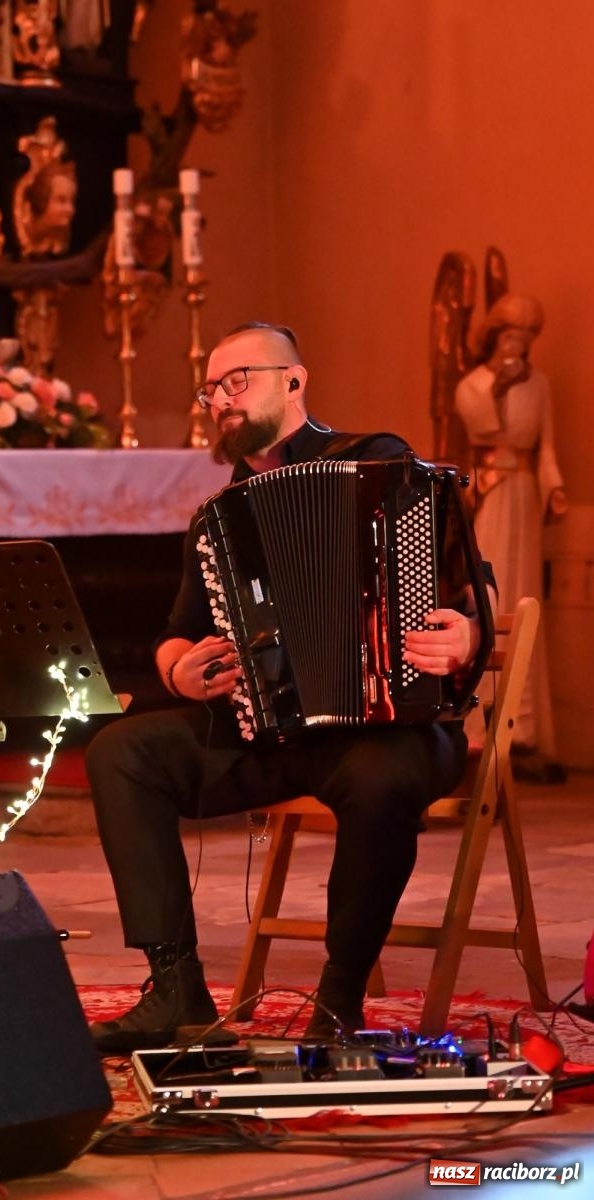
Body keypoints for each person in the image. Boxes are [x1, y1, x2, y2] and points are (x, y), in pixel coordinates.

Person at [85, 321, 496, 1054]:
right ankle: (174, 986)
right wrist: (183, 668)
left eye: (235, 381)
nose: (219, 400)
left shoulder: (382, 465)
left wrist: (465, 633)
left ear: (294, 381)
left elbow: (474, 586)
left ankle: (338, 1000)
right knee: (121, 752)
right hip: (270, 731)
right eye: (211, 390)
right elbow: (174, 636)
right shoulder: (220, 518)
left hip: (392, 726)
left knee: (381, 779)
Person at [454, 294, 565, 771]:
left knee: (526, 595)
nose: (516, 344)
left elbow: (545, 448)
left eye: (525, 338)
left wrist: (554, 488)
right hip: (490, 494)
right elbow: (483, 432)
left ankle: (526, 727)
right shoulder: (472, 385)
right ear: (494, 338)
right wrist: (499, 389)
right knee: (489, 595)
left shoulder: (539, 386)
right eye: (509, 336)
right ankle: (478, 724)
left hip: (523, 495)